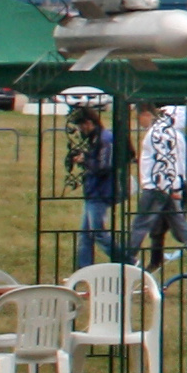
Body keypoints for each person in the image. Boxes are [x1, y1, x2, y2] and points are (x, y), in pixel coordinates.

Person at [131, 102, 187, 271]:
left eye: (139, 118)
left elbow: (165, 163)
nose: (139, 122)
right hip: (167, 186)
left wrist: (170, 188)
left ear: (145, 113)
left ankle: (125, 260)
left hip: (157, 188)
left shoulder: (158, 133)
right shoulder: (173, 134)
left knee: (140, 225)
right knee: (178, 230)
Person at [67, 101, 124, 271]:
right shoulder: (96, 139)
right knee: (86, 234)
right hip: (93, 191)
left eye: (81, 125)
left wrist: (85, 160)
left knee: (98, 233)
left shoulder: (105, 139)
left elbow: (104, 167)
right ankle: (84, 268)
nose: (80, 130)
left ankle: (127, 260)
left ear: (88, 123)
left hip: (101, 192)